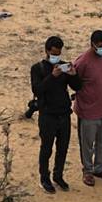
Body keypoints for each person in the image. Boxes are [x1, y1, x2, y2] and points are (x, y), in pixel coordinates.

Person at [30, 35, 78, 194]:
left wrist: (73, 75)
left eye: (59, 53)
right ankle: (45, 177)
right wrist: (52, 76)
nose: (56, 57)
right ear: (47, 51)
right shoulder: (38, 68)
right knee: (47, 149)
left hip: (64, 114)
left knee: (62, 148)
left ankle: (58, 176)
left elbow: (78, 87)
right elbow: (37, 90)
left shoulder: (64, 67)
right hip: (47, 115)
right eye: (54, 53)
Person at [71, 30, 102, 186]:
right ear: (92, 44)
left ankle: (100, 168)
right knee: (87, 143)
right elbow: (75, 82)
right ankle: (88, 170)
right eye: (100, 46)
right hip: (88, 110)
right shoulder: (83, 61)